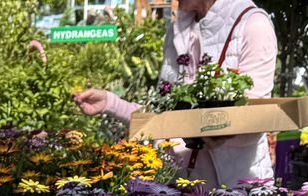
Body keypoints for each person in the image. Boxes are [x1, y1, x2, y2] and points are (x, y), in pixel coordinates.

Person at [73, 0, 279, 185]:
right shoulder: (177, 32)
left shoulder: (252, 25)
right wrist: (111, 103)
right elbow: (163, 116)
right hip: (181, 191)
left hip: (237, 193)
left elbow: (255, 123)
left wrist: (216, 131)